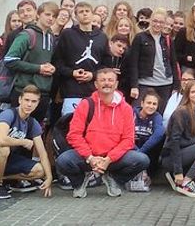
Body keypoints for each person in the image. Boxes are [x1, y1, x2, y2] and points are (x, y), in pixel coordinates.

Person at [55, 68, 149, 198]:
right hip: (87, 157)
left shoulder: (126, 109)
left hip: (113, 158)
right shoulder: (85, 104)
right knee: (63, 161)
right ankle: (79, 182)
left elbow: (128, 139)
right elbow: (74, 135)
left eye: (110, 80)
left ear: (116, 84)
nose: (107, 83)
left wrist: (108, 159)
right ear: (96, 84)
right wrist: (90, 158)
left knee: (142, 160)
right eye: (102, 80)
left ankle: (113, 179)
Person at [0, 85, 53, 199]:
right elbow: (1, 140)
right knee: (3, 148)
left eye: (33, 101)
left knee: (40, 171)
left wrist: (49, 177)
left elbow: (42, 153)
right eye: (27, 100)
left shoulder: (32, 123)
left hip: (7, 161)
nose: (29, 104)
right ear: (20, 100)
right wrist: (23, 142)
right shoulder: (9, 114)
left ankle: (0, 177)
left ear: (37, 103)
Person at [4, 1, 58, 123]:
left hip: (43, 92)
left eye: (54, 16)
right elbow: (9, 60)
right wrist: (38, 68)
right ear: (38, 14)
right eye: (47, 14)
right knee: (17, 131)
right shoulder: (26, 35)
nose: (51, 18)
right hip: (24, 91)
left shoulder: (51, 37)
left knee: (36, 132)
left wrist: (52, 68)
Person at [52, 2, 108, 116]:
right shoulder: (67, 34)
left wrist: (93, 75)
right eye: (81, 12)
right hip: (71, 90)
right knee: (70, 124)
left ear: (92, 14)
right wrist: (72, 73)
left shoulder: (102, 37)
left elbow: (106, 65)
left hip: (94, 91)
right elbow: (57, 61)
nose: (85, 14)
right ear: (76, 17)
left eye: (87, 11)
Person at [127, 8, 179, 111]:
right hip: (145, 83)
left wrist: (176, 86)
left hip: (165, 84)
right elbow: (133, 63)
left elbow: (173, 63)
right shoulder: (140, 37)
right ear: (150, 21)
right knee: (138, 112)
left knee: (162, 114)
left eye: (161, 22)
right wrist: (134, 85)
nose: (158, 24)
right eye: (155, 21)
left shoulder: (168, 40)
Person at [134, 91, 165, 178]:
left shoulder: (157, 116)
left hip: (147, 151)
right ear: (142, 103)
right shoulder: (131, 113)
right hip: (131, 148)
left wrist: (141, 152)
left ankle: (150, 173)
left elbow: (159, 134)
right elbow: (124, 136)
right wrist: (137, 152)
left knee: (162, 136)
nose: (151, 106)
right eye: (148, 103)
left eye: (154, 104)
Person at [173, 3, 195, 79]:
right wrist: (186, 58)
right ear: (192, 15)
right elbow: (175, 52)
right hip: (188, 69)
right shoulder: (184, 31)